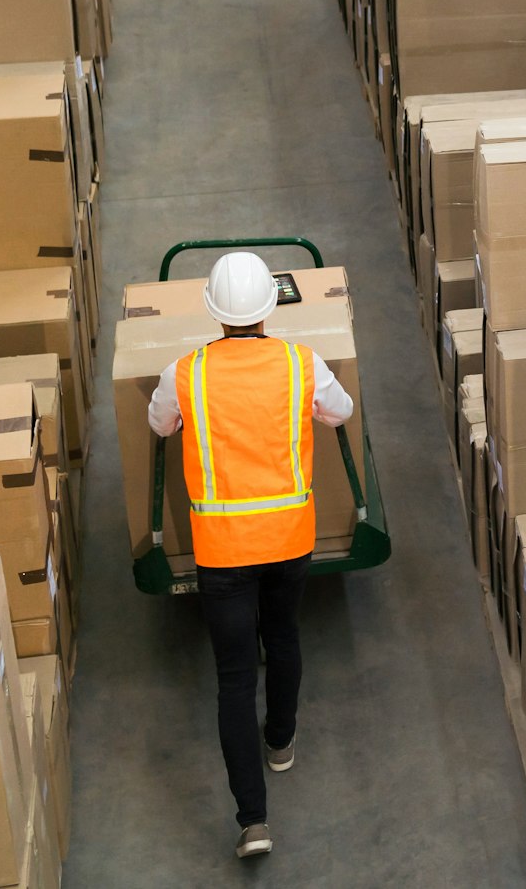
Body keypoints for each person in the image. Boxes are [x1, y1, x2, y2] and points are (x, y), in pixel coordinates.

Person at [147, 251, 355, 860]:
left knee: (235, 677)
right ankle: (282, 743)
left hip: (222, 551)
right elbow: (339, 412)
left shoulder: (184, 373)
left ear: (213, 311)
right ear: (271, 306)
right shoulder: (301, 363)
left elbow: (159, 426)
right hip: (290, 540)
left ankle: (253, 821)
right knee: (284, 635)